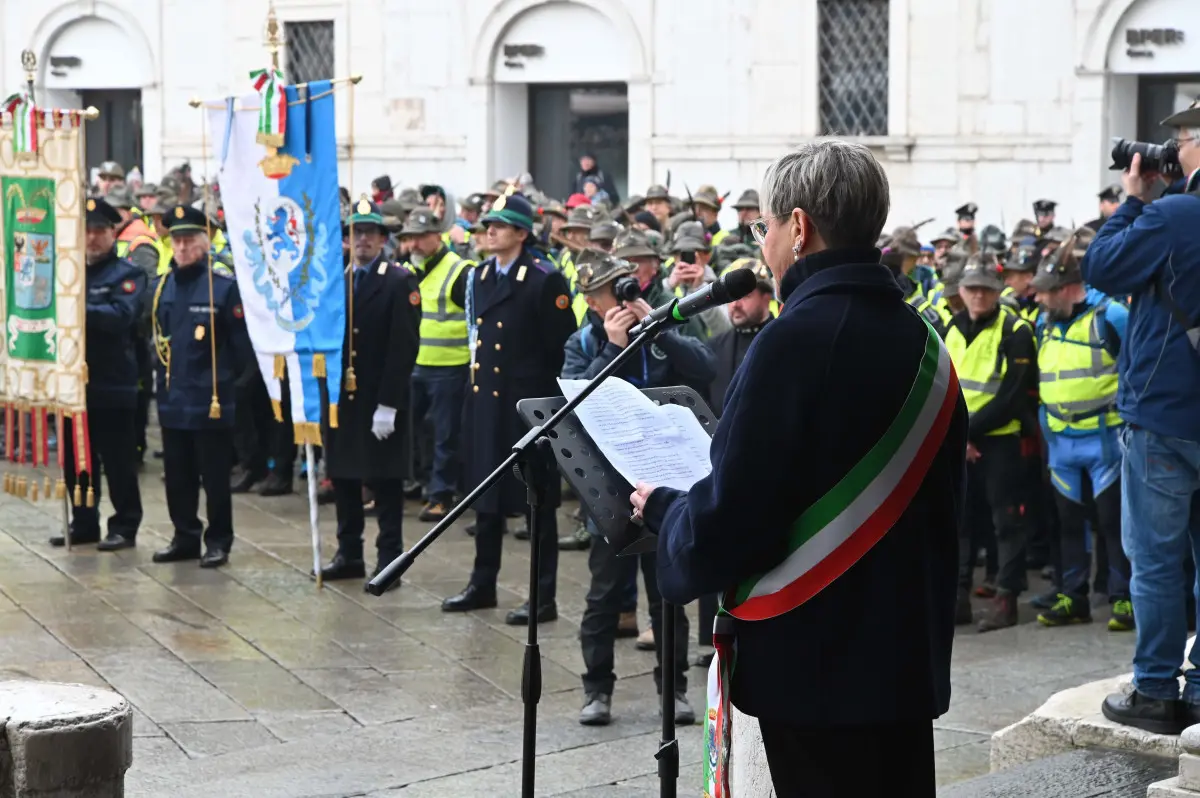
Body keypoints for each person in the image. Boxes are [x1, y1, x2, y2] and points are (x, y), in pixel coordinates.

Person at [631, 142, 966, 796]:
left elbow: (734, 521)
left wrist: (669, 512)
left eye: (766, 226)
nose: (764, 245)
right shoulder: (924, 339)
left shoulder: (791, 341)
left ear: (801, 228)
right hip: (903, 660)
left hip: (820, 667)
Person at [1082, 100, 1200, 735]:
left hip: (1164, 414)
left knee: (1154, 561)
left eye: (1182, 137)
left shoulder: (1173, 214)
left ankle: (1155, 688)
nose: (1174, 148)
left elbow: (1101, 267)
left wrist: (1134, 198)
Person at [565, 250, 714, 727]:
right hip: (608, 487)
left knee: (668, 593)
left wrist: (660, 328)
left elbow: (705, 367)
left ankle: (674, 689)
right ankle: (596, 689)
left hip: (663, 478)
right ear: (592, 301)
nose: (625, 296)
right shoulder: (583, 340)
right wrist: (612, 348)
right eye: (612, 291)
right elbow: (574, 401)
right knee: (604, 593)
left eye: (627, 284)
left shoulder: (659, 323)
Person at [442, 193, 577, 624]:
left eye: (499, 226)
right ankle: (482, 583)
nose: (490, 232)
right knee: (485, 499)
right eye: (487, 226)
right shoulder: (479, 276)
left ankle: (542, 597)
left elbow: (560, 350)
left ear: (521, 233)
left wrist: (550, 411)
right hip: (486, 404)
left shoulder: (543, 279)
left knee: (537, 504)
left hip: (526, 409)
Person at [1029, 229, 1132, 631]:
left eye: (1045, 291)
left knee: (1112, 522)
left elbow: (1137, 369)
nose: (1038, 298)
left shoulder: (1112, 317)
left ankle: (1124, 597)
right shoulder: (1044, 322)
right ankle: (1074, 597)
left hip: (1107, 441)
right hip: (1061, 443)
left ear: (1068, 288)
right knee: (1068, 523)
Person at [319, 200, 421, 588]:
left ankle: (389, 559)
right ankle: (349, 553)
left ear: (382, 239)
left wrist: (388, 404)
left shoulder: (398, 280)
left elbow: (403, 346)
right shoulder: (337, 280)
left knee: (386, 481)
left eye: (369, 233)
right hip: (344, 397)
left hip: (380, 396)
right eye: (356, 232)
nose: (362, 239)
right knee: (344, 476)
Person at [151, 205, 252, 568]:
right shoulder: (163, 286)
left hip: (211, 400)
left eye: (189, 240)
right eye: (176, 240)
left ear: (205, 242)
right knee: (178, 476)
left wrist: (226, 385)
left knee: (214, 478)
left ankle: (219, 540)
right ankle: (185, 536)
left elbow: (242, 349)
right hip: (173, 398)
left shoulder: (223, 288)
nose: (181, 247)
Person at [944, 255, 1036, 632]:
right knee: (960, 522)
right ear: (961, 291)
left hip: (999, 442)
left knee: (1006, 522)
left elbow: (1012, 396)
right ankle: (958, 597)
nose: (979, 295)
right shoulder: (951, 327)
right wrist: (959, 436)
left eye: (986, 288)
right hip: (962, 443)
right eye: (972, 288)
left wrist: (966, 433)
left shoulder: (1015, 330)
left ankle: (1006, 599)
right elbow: (943, 386)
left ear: (998, 291)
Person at [50, 198, 146, 550]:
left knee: (118, 460)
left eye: (99, 231)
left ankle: (125, 525)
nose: (92, 238)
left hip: (112, 381)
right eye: (87, 231)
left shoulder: (128, 274)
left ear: (113, 233)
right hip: (73, 383)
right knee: (77, 460)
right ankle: (84, 521)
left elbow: (121, 316)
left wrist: (75, 307)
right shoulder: (70, 271)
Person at [402, 206, 473, 523]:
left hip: (450, 366)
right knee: (417, 432)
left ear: (438, 236)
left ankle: (441, 495)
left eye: (421, 237)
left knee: (445, 435)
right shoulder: (408, 270)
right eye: (410, 237)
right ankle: (422, 482)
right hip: (415, 365)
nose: (414, 244)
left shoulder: (458, 271)